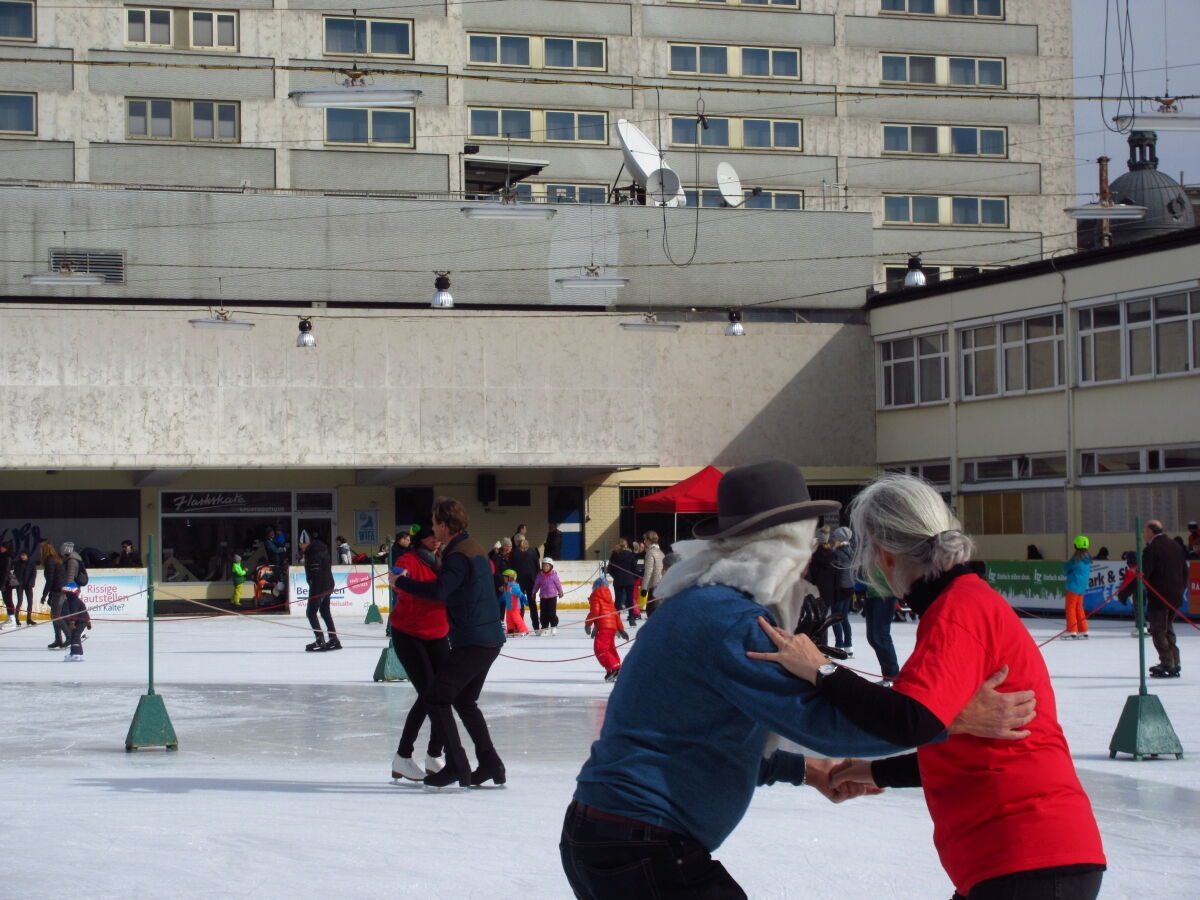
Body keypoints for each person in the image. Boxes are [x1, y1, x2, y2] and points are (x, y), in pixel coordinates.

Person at [561, 460, 1036, 899]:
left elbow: (709, 743)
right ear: (782, 546)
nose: (809, 561)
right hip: (642, 844)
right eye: (805, 544)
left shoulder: (698, 604)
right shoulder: (730, 620)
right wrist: (949, 717)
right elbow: (821, 724)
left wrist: (808, 771)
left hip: (616, 839)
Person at [749, 472, 1106, 900]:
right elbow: (956, 745)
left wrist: (820, 669)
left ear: (884, 555)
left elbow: (911, 721)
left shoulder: (958, 609)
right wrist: (871, 770)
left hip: (1027, 854)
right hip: (1023, 859)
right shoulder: (966, 601)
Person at [393, 497, 507, 789]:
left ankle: (456, 764)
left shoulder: (457, 556)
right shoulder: (472, 547)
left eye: (434, 524)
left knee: (436, 698)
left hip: (473, 640)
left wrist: (401, 583)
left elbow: (441, 590)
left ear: (444, 525)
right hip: (487, 638)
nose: (433, 529)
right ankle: (490, 763)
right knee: (464, 701)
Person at [388, 518, 449, 782]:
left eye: (437, 536)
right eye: (430, 536)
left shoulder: (445, 560)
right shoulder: (410, 560)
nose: (435, 540)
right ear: (420, 539)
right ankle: (403, 756)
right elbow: (396, 577)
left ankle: (435, 754)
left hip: (438, 634)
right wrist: (398, 577)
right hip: (409, 634)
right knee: (428, 694)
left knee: (443, 692)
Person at [1142, 519, 1185, 678]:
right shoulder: (1175, 546)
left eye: (1144, 531)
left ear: (1150, 532)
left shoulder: (1152, 548)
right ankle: (1175, 660)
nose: (1143, 534)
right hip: (1175, 596)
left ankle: (1167, 662)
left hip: (1159, 597)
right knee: (1168, 628)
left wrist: (1127, 591)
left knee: (1158, 630)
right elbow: (1185, 571)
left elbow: (1144, 573)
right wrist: (1180, 590)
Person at [300, 531, 339, 652]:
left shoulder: (313, 553)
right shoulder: (321, 549)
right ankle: (333, 639)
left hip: (320, 587)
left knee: (311, 613)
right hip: (328, 584)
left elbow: (316, 574)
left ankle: (319, 639)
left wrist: (315, 593)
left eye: (301, 544)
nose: (300, 546)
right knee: (325, 612)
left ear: (307, 543)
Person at [585, 576, 627, 682]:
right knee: (609, 649)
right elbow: (615, 614)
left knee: (600, 649)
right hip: (611, 628)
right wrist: (621, 629)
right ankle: (611, 670)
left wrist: (588, 624)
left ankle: (615, 667)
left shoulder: (595, 596)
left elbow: (595, 612)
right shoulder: (608, 598)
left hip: (604, 628)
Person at [861, 576, 901, 686]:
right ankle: (889, 675)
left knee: (880, 636)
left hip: (885, 594)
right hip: (871, 594)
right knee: (872, 637)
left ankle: (892, 676)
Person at [38, 541, 70, 649]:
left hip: (58, 590)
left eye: (41, 549)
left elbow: (50, 579)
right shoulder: (55, 559)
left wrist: (44, 595)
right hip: (58, 589)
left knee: (56, 615)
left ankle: (69, 636)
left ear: (44, 550)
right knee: (54, 615)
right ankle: (58, 639)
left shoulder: (49, 561)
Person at [830, 526, 855, 657]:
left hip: (840, 589)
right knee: (844, 618)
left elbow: (832, 570)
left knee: (835, 618)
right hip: (849, 587)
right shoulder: (851, 551)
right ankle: (848, 645)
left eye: (835, 536)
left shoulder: (838, 553)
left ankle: (838, 645)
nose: (833, 538)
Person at [1063, 535, 1092, 640]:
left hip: (1073, 586)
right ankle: (1083, 629)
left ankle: (1072, 630)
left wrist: (1069, 571)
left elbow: (1065, 569)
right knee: (1079, 607)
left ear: (1076, 546)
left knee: (1070, 607)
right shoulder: (1087, 559)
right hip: (1081, 588)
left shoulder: (1075, 559)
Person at [510, 538, 541, 631]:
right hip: (531, 581)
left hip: (519, 582)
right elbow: (537, 567)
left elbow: (511, 568)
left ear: (517, 542)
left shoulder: (515, 553)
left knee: (519, 605)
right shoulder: (533, 552)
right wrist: (536, 580)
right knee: (532, 604)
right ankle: (536, 626)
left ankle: (519, 627)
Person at [607, 539, 638, 627]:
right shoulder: (630, 555)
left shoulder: (614, 555)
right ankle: (631, 618)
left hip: (618, 580)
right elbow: (634, 568)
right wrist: (633, 577)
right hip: (629, 580)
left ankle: (617, 619)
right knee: (630, 600)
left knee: (618, 601)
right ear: (626, 545)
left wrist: (615, 576)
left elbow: (609, 569)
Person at [533, 558, 564, 635]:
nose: (545, 568)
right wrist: (534, 592)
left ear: (551, 567)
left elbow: (558, 584)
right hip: (543, 597)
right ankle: (544, 627)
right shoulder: (539, 576)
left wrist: (560, 592)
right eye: (543, 566)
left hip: (552, 597)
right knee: (543, 613)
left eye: (547, 566)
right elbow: (536, 585)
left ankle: (554, 626)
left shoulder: (554, 575)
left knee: (551, 613)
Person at [640, 530, 664, 616]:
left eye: (645, 539)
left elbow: (648, 572)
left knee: (651, 612)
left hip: (654, 586)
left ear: (649, 540)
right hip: (661, 585)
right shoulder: (661, 552)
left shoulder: (650, 552)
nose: (644, 541)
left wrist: (644, 588)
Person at [500, 569, 529, 635]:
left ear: (510, 578)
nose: (504, 579)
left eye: (505, 578)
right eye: (504, 578)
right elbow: (504, 596)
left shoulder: (514, 587)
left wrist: (525, 601)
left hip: (515, 607)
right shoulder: (506, 587)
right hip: (508, 607)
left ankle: (524, 630)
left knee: (517, 619)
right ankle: (511, 630)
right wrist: (498, 602)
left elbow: (520, 594)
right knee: (509, 619)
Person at [13, 548, 37, 626]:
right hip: (19, 585)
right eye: (21, 555)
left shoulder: (31, 563)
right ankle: (16, 619)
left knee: (30, 601)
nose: (22, 556)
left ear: (27, 556)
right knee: (19, 601)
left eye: (24, 555)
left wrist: (30, 584)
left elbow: (33, 574)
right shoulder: (17, 563)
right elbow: (14, 574)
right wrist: (15, 584)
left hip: (28, 585)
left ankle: (29, 619)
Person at [0, 539, 14, 628]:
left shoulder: (8, 557)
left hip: (7, 582)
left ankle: (12, 619)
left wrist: (3, 584)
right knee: (6, 599)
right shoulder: (2, 556)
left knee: (8, 599)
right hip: (3, 581)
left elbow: (6, 572)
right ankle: (9, 617)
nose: (1, 548)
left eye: (3, 547)